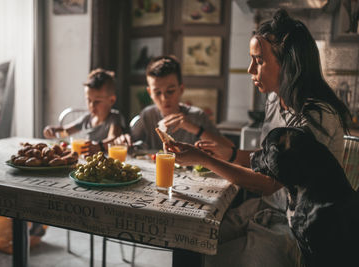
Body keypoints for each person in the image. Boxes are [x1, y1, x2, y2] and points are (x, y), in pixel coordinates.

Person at [167, 9, 352, 267]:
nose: (250, 68)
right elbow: (266, 162)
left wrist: (202, 160)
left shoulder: (316, 116)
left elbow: (267, 182)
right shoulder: (276, 100)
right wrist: (226, 154)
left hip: (295, 226)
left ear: (288, 63)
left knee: (207, 260)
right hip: (262, 208)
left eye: (259, 60)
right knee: (188, 238)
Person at [115, 55, 230, 150]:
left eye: (170, 91)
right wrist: (124, 140)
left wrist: (195, 129)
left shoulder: (197, 116)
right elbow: (131, 142)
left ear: (181, 89)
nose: (164, 98)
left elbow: (229, 149)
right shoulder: (148, 115)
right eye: (157, 93)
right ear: (150, 92)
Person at [43, 68, 126, 154]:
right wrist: (53, 131)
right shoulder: (87, 118)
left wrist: (98, 146)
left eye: (97, 101)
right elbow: (66, 132)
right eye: (88, 100)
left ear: (111, 100)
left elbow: (114, 138)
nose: (92, 105)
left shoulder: (114, 118)